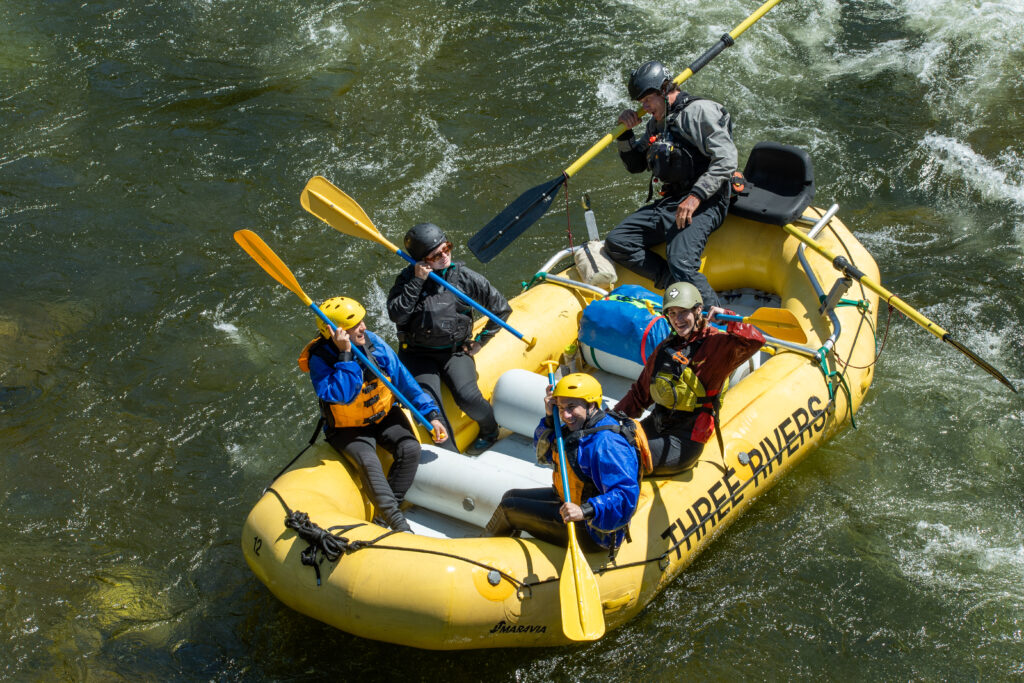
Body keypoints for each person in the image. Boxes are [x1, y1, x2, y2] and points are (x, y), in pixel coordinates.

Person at [298, 296, 448, 533]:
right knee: (369, 463)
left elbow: (403, 380)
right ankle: (399, 524)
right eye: (354, 325)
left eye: (361, 321)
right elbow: (341, 395)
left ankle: (383, 518)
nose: (363, 327)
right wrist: (345, 355)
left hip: (384, 415)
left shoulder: (373, 343)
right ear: (335, 332)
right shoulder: (321, 359)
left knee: (410, 448)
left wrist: (431, 414)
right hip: (348, 428)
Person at [603, 59, 738, 307]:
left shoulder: (700, 112)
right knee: (618, 241)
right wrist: (625, 133)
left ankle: (719, 319)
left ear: (664, 90)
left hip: (707, 201)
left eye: (648, 100)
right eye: (641, 102)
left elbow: (727, 159)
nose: (644, 107)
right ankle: (675, 285)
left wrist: (696, 196)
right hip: (674, 201)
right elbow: (636, 165)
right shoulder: (657, 123)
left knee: (681, 261)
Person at [387, 222, 512, 455]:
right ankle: (453, 459)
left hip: (454, 351)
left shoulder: (465, 278)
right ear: (422, 261)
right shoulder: (406, 280)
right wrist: (417, 281)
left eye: (447, 248)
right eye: (436, 255)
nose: (445, 256)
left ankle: (490, 431)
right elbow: (397, 315)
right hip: (417, 355)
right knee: (430, 411)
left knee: (468, 398)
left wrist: (481, 341)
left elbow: (501, 309)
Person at [614, 282, 765, 475]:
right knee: (604, 445)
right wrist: (607, 422)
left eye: (683, 312)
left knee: (616, 458)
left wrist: (729, 317)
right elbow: (638, 395)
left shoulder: (717, 346)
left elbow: (754, 341)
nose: (678, 320)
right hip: (655, 425)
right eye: (672, 313)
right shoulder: (666, 348)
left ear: (698, 310)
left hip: (684, 441)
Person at [485, 373, 640, 553]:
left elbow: (626, 496)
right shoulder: (581, 426)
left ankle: (484, 551)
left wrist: (584, 510)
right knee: (510, 496)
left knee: (509, 509)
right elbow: (545, 452)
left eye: (571, 407)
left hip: (594, 528)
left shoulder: (607, 444)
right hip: (570, 501)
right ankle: (504, 549)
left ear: (591, 405)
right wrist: (550, 417)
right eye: (560, 407)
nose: (565, 415)